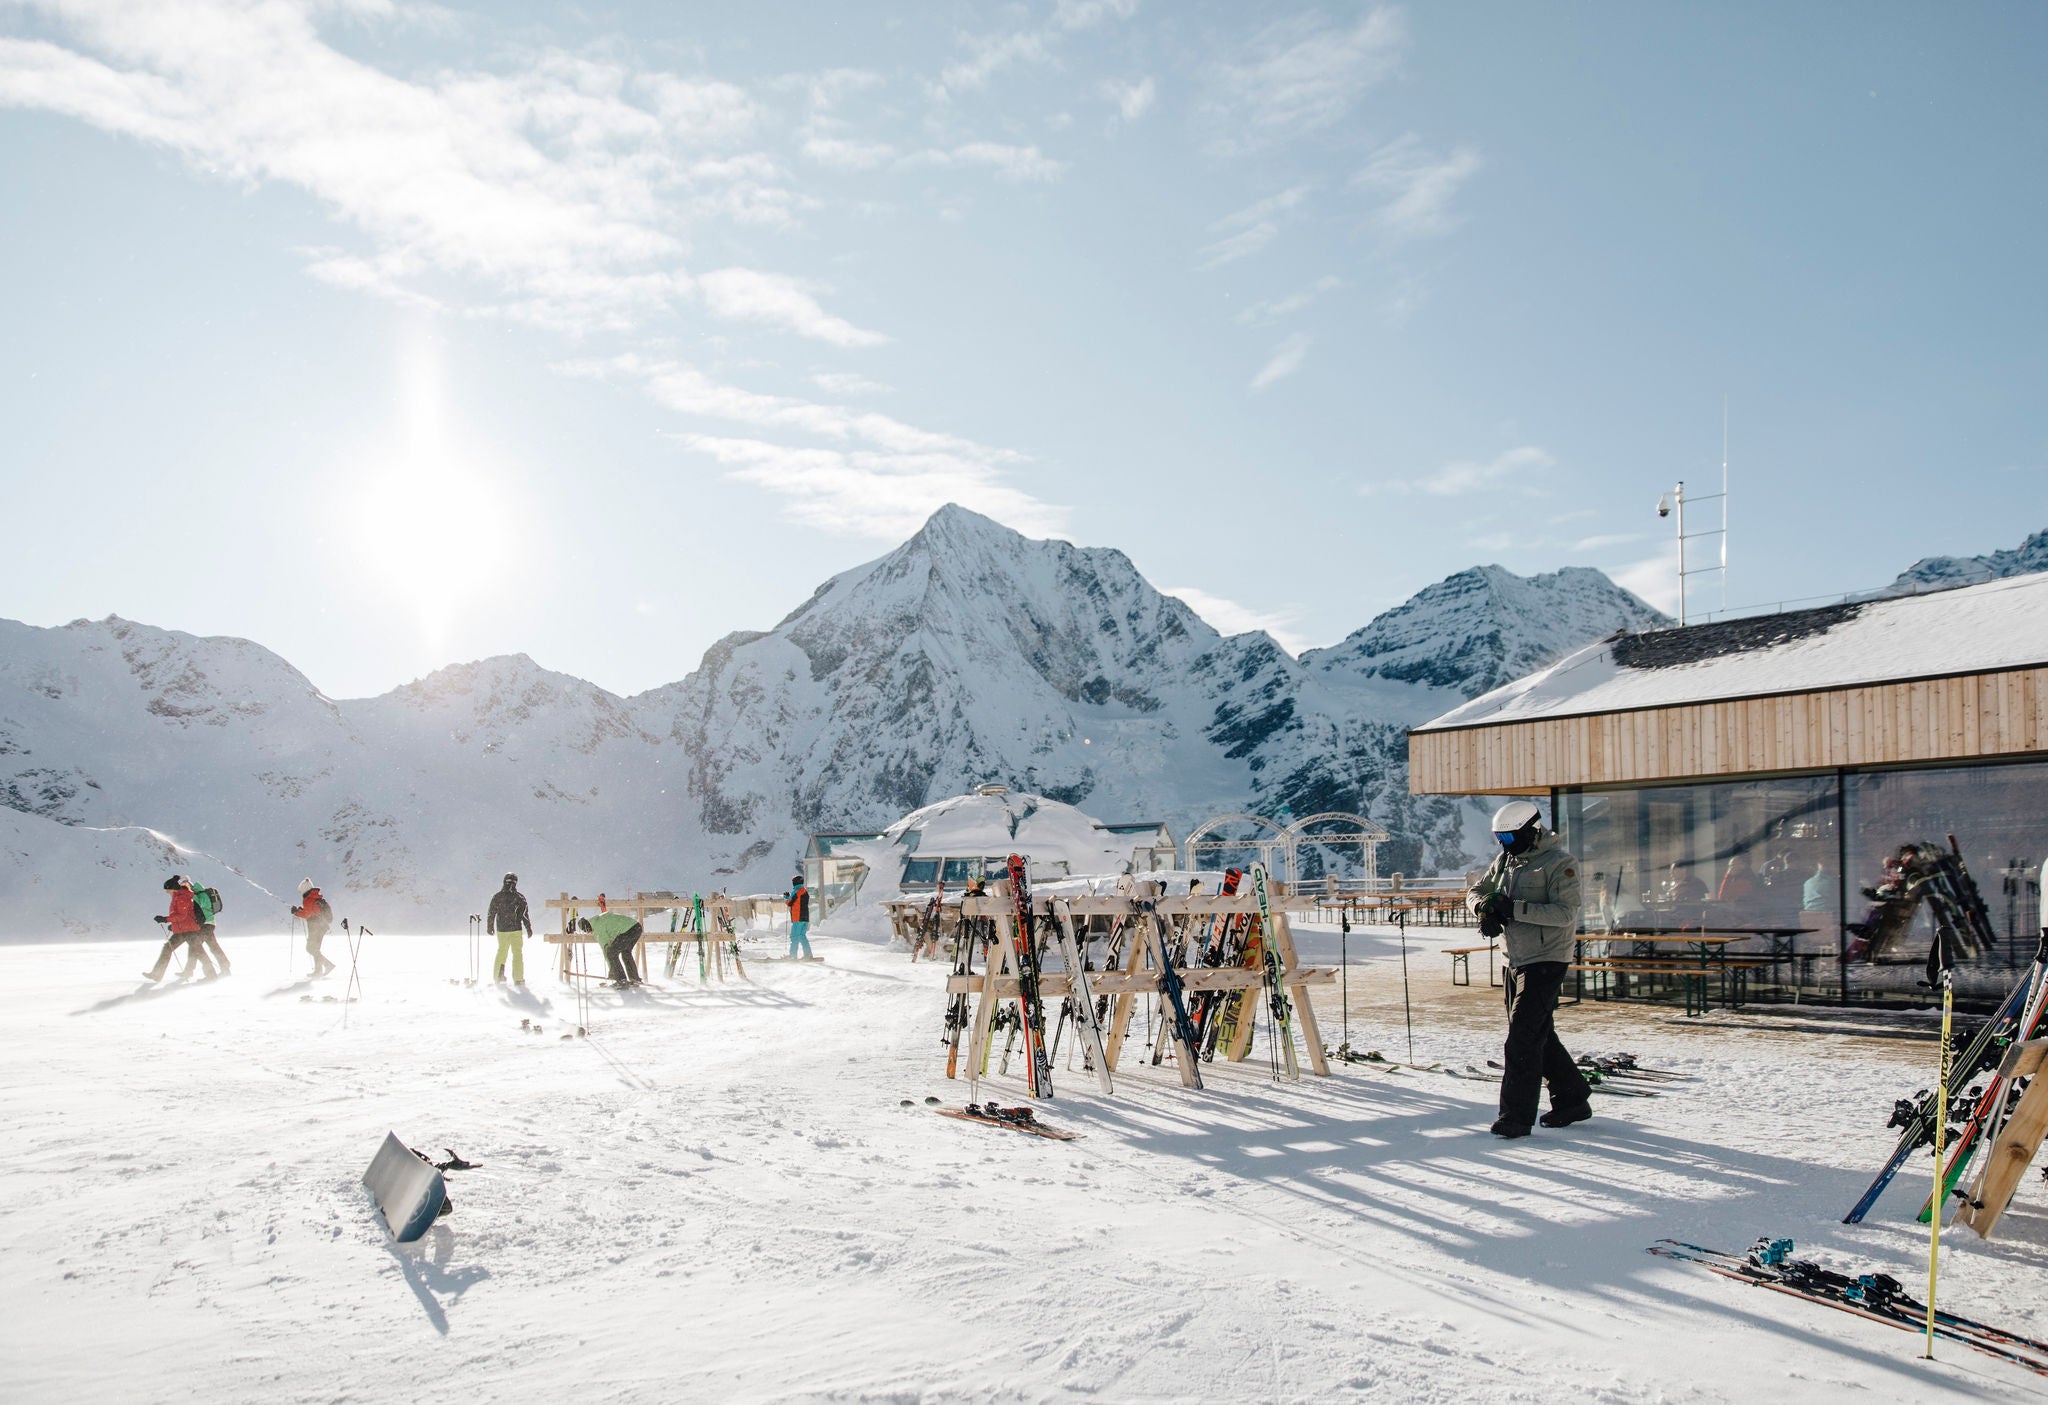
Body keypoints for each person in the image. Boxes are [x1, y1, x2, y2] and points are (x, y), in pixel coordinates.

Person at [1468, 801, 1593, 1140]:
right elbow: (1477, 891)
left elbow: (1565, 915)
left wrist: (1513, 908)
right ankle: (1572, 1098)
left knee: (1522, 1038)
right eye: (1501, 840)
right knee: (1537, 1032)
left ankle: (1515, 1118)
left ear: (1531, 831)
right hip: (1514, 958)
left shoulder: (1561, 864)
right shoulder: (1506, 861)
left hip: (1547, 958)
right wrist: (1485, 909)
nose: (1505, 846)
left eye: (1511, 838)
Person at [144, 876, 212, 982]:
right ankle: (157, 974)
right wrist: (174, 925)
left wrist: (165, 919)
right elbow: (182, 916)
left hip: (190, 931)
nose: (167, 892)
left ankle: (211, 975)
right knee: (171, 948)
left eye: (168, 890)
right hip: (183, 930)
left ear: (173, 888)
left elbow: (182, 916)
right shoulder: (178, 897)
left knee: (198, 952)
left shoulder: (182, 897)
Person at [486, 872, 533, 984]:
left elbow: (491, 913)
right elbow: (524, 915)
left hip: (502, 930)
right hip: (516, 929)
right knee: (517, 953)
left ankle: (498, 976)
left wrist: (490, 926)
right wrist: (528, 928)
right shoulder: (519, 897)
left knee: (502, 952)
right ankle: (518, 978)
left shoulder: (498, 896)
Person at [578, 911, 644, 987]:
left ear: (587, 928)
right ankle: (634, 979)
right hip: (636, 927)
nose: (589, 933)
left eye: (587, 931)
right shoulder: (598, 919)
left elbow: (606, 949)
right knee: (626, 952)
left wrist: (612, 970)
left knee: (611, 952)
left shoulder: (598, 928)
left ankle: (621, 980)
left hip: (627, 931)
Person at [184, 879, 231, 978]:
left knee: (196, 946)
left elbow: (196, 912)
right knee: (212, 946)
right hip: (210, 924)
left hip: (205, 925)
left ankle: (204, 972)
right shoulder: (203, 894)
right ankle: (225, 967)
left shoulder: (196, 896)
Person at [292, 879, 336, 977]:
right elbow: (312, 912)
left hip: (316, 927)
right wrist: (300, 911)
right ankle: (319, 970)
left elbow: (308, 914)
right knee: (314, 948)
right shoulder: (314, 897)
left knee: (311, 948)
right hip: (322, 927)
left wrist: (296, 912)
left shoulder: (308, 899)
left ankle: (325, 967)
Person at [786, 875, 813, 959]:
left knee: (794, 936)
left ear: (795, 882)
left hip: (797, 918)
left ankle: (792, 956)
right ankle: (808, 955)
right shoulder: (804, 891)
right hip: (805, 918)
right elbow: (796, 901)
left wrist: (786, 897)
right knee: (802, 936)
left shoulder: (796, 891)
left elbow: (789, 902)